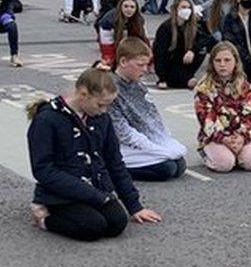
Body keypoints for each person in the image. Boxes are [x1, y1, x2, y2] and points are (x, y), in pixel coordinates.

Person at [26, 67, 163, 241]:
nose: (104, 111)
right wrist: (97, 196)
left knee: (117, 223)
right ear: (83, 94)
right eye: (100, 104)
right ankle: (44, 219)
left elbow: (114, 161)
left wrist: (134, 206)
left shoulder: (101, 118)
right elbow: (43, 170)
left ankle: (87, 208)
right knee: (92, 227)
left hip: (95, 190)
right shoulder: (47, 119)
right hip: (60, 193)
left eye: (108, 105)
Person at [108, 38, 188, 181]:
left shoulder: (139, 86)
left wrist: (163, 141)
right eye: (140, 65)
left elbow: (154, 118)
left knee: (179, 165)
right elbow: (121, 131)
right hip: (123, 145)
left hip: (144, 141)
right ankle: (115, 168)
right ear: (123, 62)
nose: (145, 70)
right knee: (167, 169)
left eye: (146, 64)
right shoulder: (110, 89)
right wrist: (153, 148)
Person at [193, 42, 251, 173]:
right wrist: (224, 139)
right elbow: (206, 119)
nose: (222, 64)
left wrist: (242, 137)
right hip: (215, 136)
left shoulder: (244, 86)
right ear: (212, 63)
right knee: (224, 165)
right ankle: (206, 153)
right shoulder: (203, 88)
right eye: (218, 60)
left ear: (235, 62)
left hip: (239, 134)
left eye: (227, 60)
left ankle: (238, 154)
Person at [152, 0, 215, 89]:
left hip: (186, 62)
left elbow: (208, 39)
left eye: (189, 7)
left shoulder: (193, 26)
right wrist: (162, 77)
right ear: (175, 9)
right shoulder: (166, 27)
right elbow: (160, 53)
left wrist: (193, 50)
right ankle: (177, 79)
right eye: (183, 7)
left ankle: (188, 77)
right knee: (190, 83)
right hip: (171, 64)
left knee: (202, 49)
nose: (187, 10)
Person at [97, 0, 149, 65]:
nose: (129, 9)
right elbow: (107, 46)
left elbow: (144, 40)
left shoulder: (140, 20)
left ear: (136, 9)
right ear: (120, 7)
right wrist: (110, 60)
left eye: (132, 7)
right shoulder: (108, 21)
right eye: (126, 6)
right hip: (112, 42)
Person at [1, 0, 21, 67]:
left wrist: (10, 14)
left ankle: (14, 55)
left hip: (2, 14)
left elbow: (9, 2)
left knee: (12, 26)